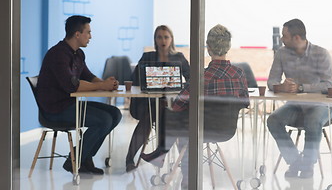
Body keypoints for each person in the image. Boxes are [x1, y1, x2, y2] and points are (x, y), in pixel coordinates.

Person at [140, 24, 250, 189]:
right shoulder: (239, 73)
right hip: (227, 131)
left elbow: (177, 104)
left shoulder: (201, 76)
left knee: (174, 118)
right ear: (228, 46)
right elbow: (244, 102)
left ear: (208, 48)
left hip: (199, 130)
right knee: (187, 126)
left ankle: (174, 165)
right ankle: (166, 159)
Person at [37, 15, 122, 175]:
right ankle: (76, 159)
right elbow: (72, 85)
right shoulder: (58, 54)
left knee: (115, 114)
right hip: (55, 110)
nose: (90, 36)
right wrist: (102, 85)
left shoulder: (78, 54)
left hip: (70, 105)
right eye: (88, 32)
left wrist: (106, 83)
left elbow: (88, 77)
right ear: (77, 34)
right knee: (104, 120)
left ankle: (83, 158)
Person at [267, 18, 332, 178]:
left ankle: (308, 165)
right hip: (295, 106)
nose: (281, 39)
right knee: (273, 120)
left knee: (312, 120)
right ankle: (297, 162)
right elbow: (271, 82)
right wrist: (281, 87)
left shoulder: (321, 53)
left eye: (284, 36)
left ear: (296, 38)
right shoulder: (281, 54)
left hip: (322, 107)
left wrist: (301, 88)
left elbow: (328, 84)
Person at [125, 25, 190, 172]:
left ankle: (131, 159)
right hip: (145, 103)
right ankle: (157, 154)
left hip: (170, 105)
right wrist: (152, 81)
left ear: (171, 39)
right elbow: (134, 79)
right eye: (159, 37)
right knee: (154, 111)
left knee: (157, 111)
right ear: (155, 40)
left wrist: (176, 86)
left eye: (166, 37)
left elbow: (191, 78)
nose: (163, 40)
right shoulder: (147, 57)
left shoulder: (178, 57)